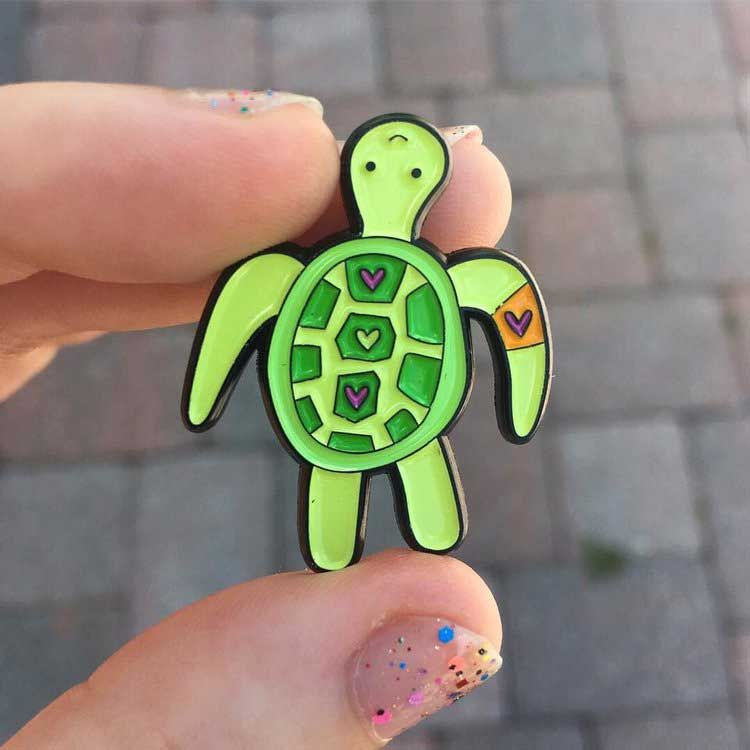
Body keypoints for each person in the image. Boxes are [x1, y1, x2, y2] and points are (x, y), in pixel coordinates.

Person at [0, 83, 512, 748]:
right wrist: (520, 396)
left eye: (407, 170)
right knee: (414, 480)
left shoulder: (288, 272)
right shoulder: (458, 275)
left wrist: (206, 394)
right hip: (411, 410)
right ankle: (392, 527)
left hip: (319, 411)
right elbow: (509, 304)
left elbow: (244, 302)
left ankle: (348, 540)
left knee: (337, 498)